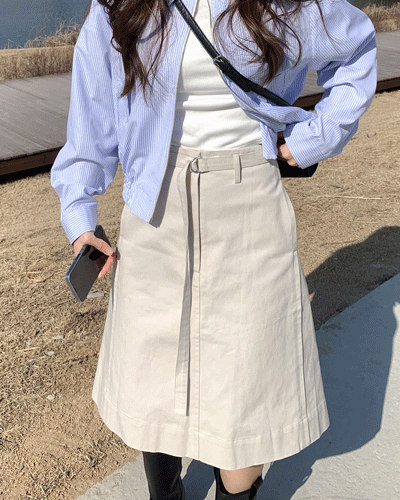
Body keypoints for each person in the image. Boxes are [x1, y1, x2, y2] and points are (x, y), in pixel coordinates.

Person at [51, 0, 377, 498]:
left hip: (250, 203)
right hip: (155, 204)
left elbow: (356, 49)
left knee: (245, 387)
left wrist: (315, 137)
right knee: (154, 377)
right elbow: (91, 118)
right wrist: (80, 215)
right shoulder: (118, 5)